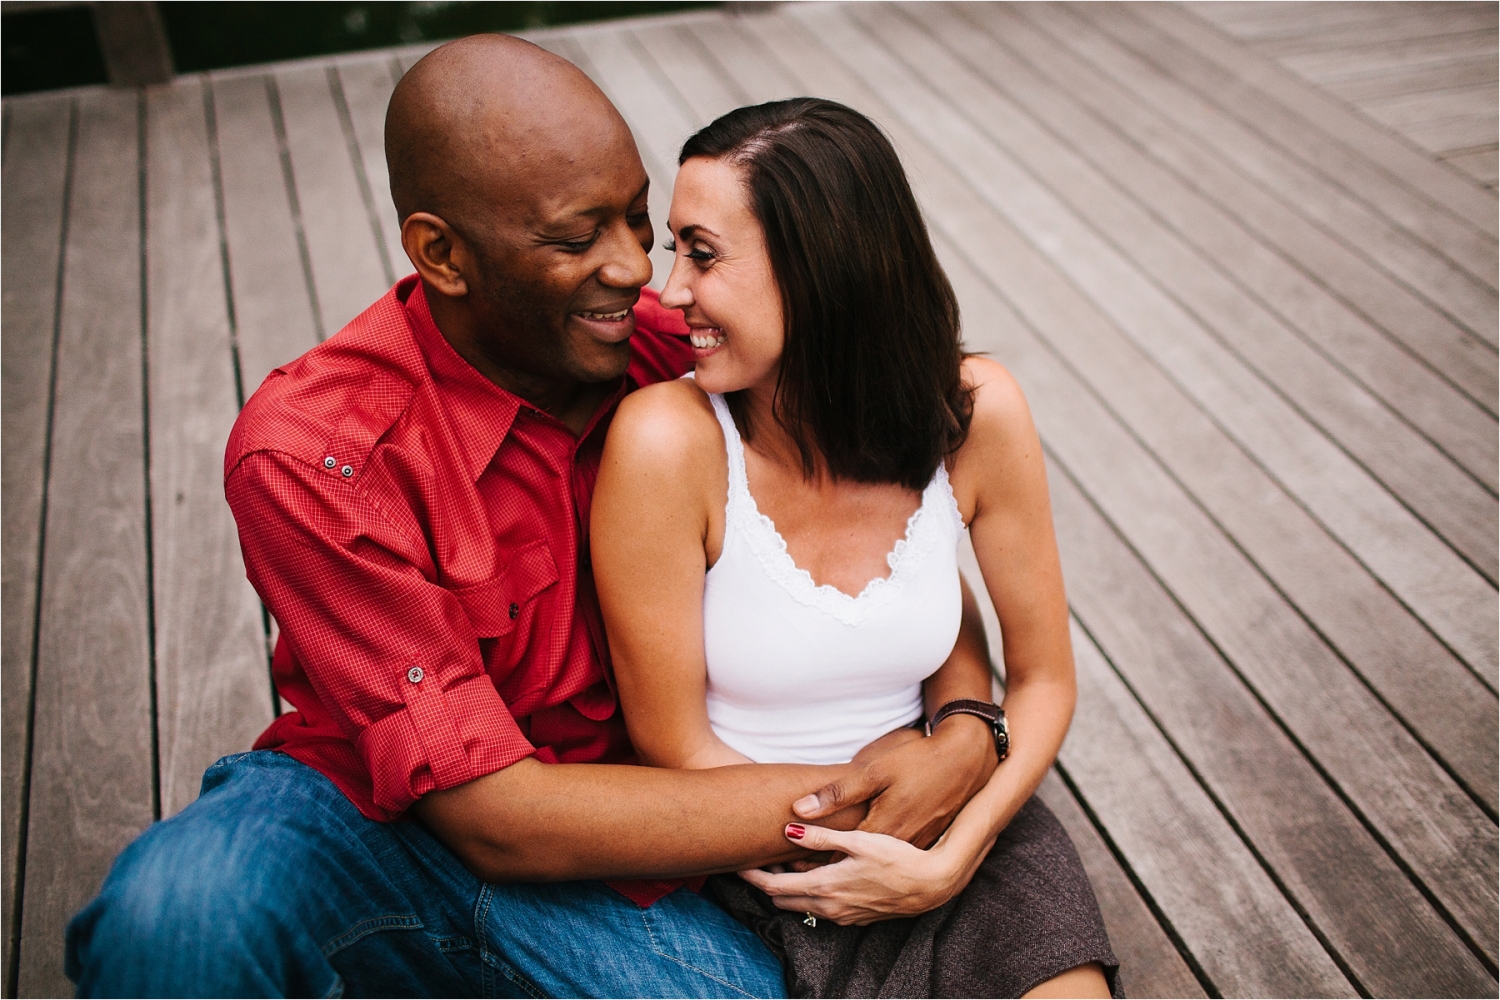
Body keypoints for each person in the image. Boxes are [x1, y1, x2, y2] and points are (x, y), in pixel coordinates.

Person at [62, 36, 1004, 999]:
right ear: (441, 254)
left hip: (643, 840)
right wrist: (881, 789)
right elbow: (495, 818)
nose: (638, 269)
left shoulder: (689, 354)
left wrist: (967, 723)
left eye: (640, 220)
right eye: (575, 237)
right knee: (176, 921)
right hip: (378, 819)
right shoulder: (318, 450)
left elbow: (895, 530)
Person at [590, 99, 1120, 998]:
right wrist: (876, 831)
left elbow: (1042, 681)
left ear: (816, 268)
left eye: (703, 253)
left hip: (966, 825)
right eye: (676, 249)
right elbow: (672, 746)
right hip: (772, 868)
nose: (671, 291)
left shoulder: (975, 414)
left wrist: (958, 842)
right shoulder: (666, 442)